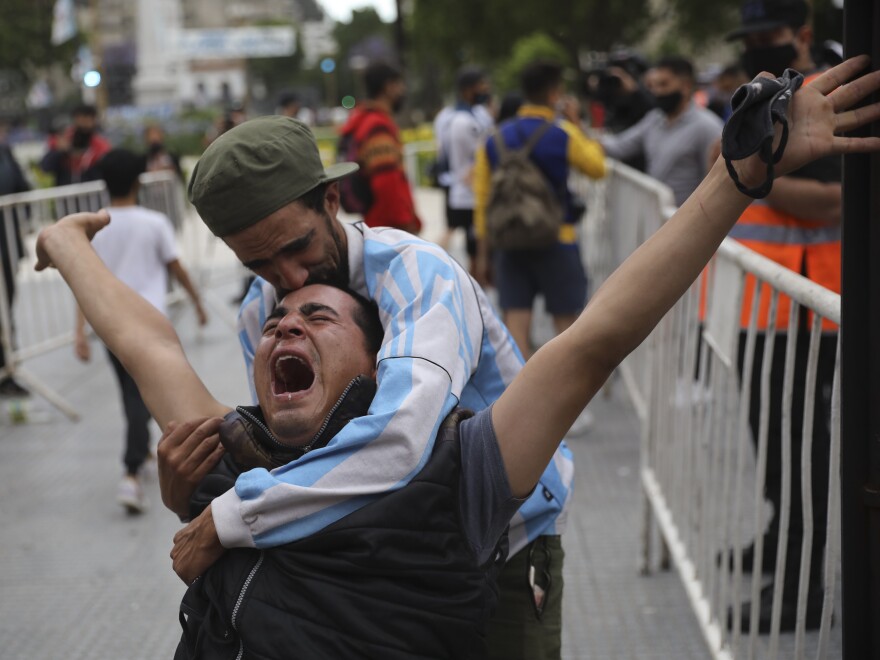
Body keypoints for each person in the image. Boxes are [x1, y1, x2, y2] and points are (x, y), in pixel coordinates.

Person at [37, 54, 880, 658]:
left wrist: (221, 517)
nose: (284, 299)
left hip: (492, 548)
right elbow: (158, 355)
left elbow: (577, 352)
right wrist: (203, 478)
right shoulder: (271, 423)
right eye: (264, 282)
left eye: (309, 286)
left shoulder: (445, 396)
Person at [168, 114, 574, 659]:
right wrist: (186, 491)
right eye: (258, 263)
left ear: (331, 199)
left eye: (297, 246)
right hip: (392, 552)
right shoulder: (258, 315)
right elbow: (298, 443)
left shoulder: (421, 274)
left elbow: (401, 439)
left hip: (509, 539)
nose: (288, 279)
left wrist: (229, 516)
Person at [723, 0, 842, 633]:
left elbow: (831, 203)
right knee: (770, 442)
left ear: (801, 34)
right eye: (750, 37)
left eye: (767, 35)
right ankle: (779, 538)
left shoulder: (827, 95)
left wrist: (741, 173)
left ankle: (801, 586)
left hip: (806, 304)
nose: (756, 46)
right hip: (764, 304)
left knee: (799, 451)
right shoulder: (761, 95)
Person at [74, 148, 207, 513]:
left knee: (132, 394)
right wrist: (197, 302)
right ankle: (131, 473)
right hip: (150, 326)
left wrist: (80, 331)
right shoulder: (154, 222)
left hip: (109, 325)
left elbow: (83, 281)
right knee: (141, 397)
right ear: (139, 181)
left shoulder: (95, 226)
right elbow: (176, 268)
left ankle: (144, 455)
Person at [472, 60, 606, 363]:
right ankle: (566, 396)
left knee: (516, 323)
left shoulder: (493, 139)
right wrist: (578, 125)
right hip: (557, 237)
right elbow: (597, 168)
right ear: (554, 93)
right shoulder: (562, 134)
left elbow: (482, 202)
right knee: (566, 326)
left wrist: (483, 254)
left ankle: (522, 399)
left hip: (510, 241)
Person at [600, 56, 724, 207]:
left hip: (688, 221)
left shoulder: (707, 126)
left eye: (664, 85)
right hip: (655, 219)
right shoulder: (654, 120)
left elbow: (716, 182)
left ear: (685, 86)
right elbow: (619, 146)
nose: (657, 92)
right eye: (654, 86)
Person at [337, 61, 422, 234]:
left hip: (376, 225)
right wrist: (405, 223)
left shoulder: (364, 120)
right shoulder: (377, 127)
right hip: (390, 230)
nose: (403, 90)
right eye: (399, 84)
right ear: (388, 87)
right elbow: (386, 183)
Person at [440, 67, 495, 269]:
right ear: (468, 89)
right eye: (481, 85)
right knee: (476, 251)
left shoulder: (462, 117)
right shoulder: (464, 121)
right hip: (468, 193)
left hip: (463, 189)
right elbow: (478, 155)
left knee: (470, 244)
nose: (485, 89)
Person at [0, 121, 31, 397]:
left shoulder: (6, 154)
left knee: (5, 310)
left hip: (6, 246)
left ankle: (6, 370)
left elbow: (21, 186)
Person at [39, 104, 111, 186]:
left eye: (87, 122)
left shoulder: (100, 146)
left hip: (92, 194)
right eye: (80, 123)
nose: (83, 127)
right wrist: (59, 151)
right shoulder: (63, 140)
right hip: (66, 193)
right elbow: (45, 167)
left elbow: (108, 170)